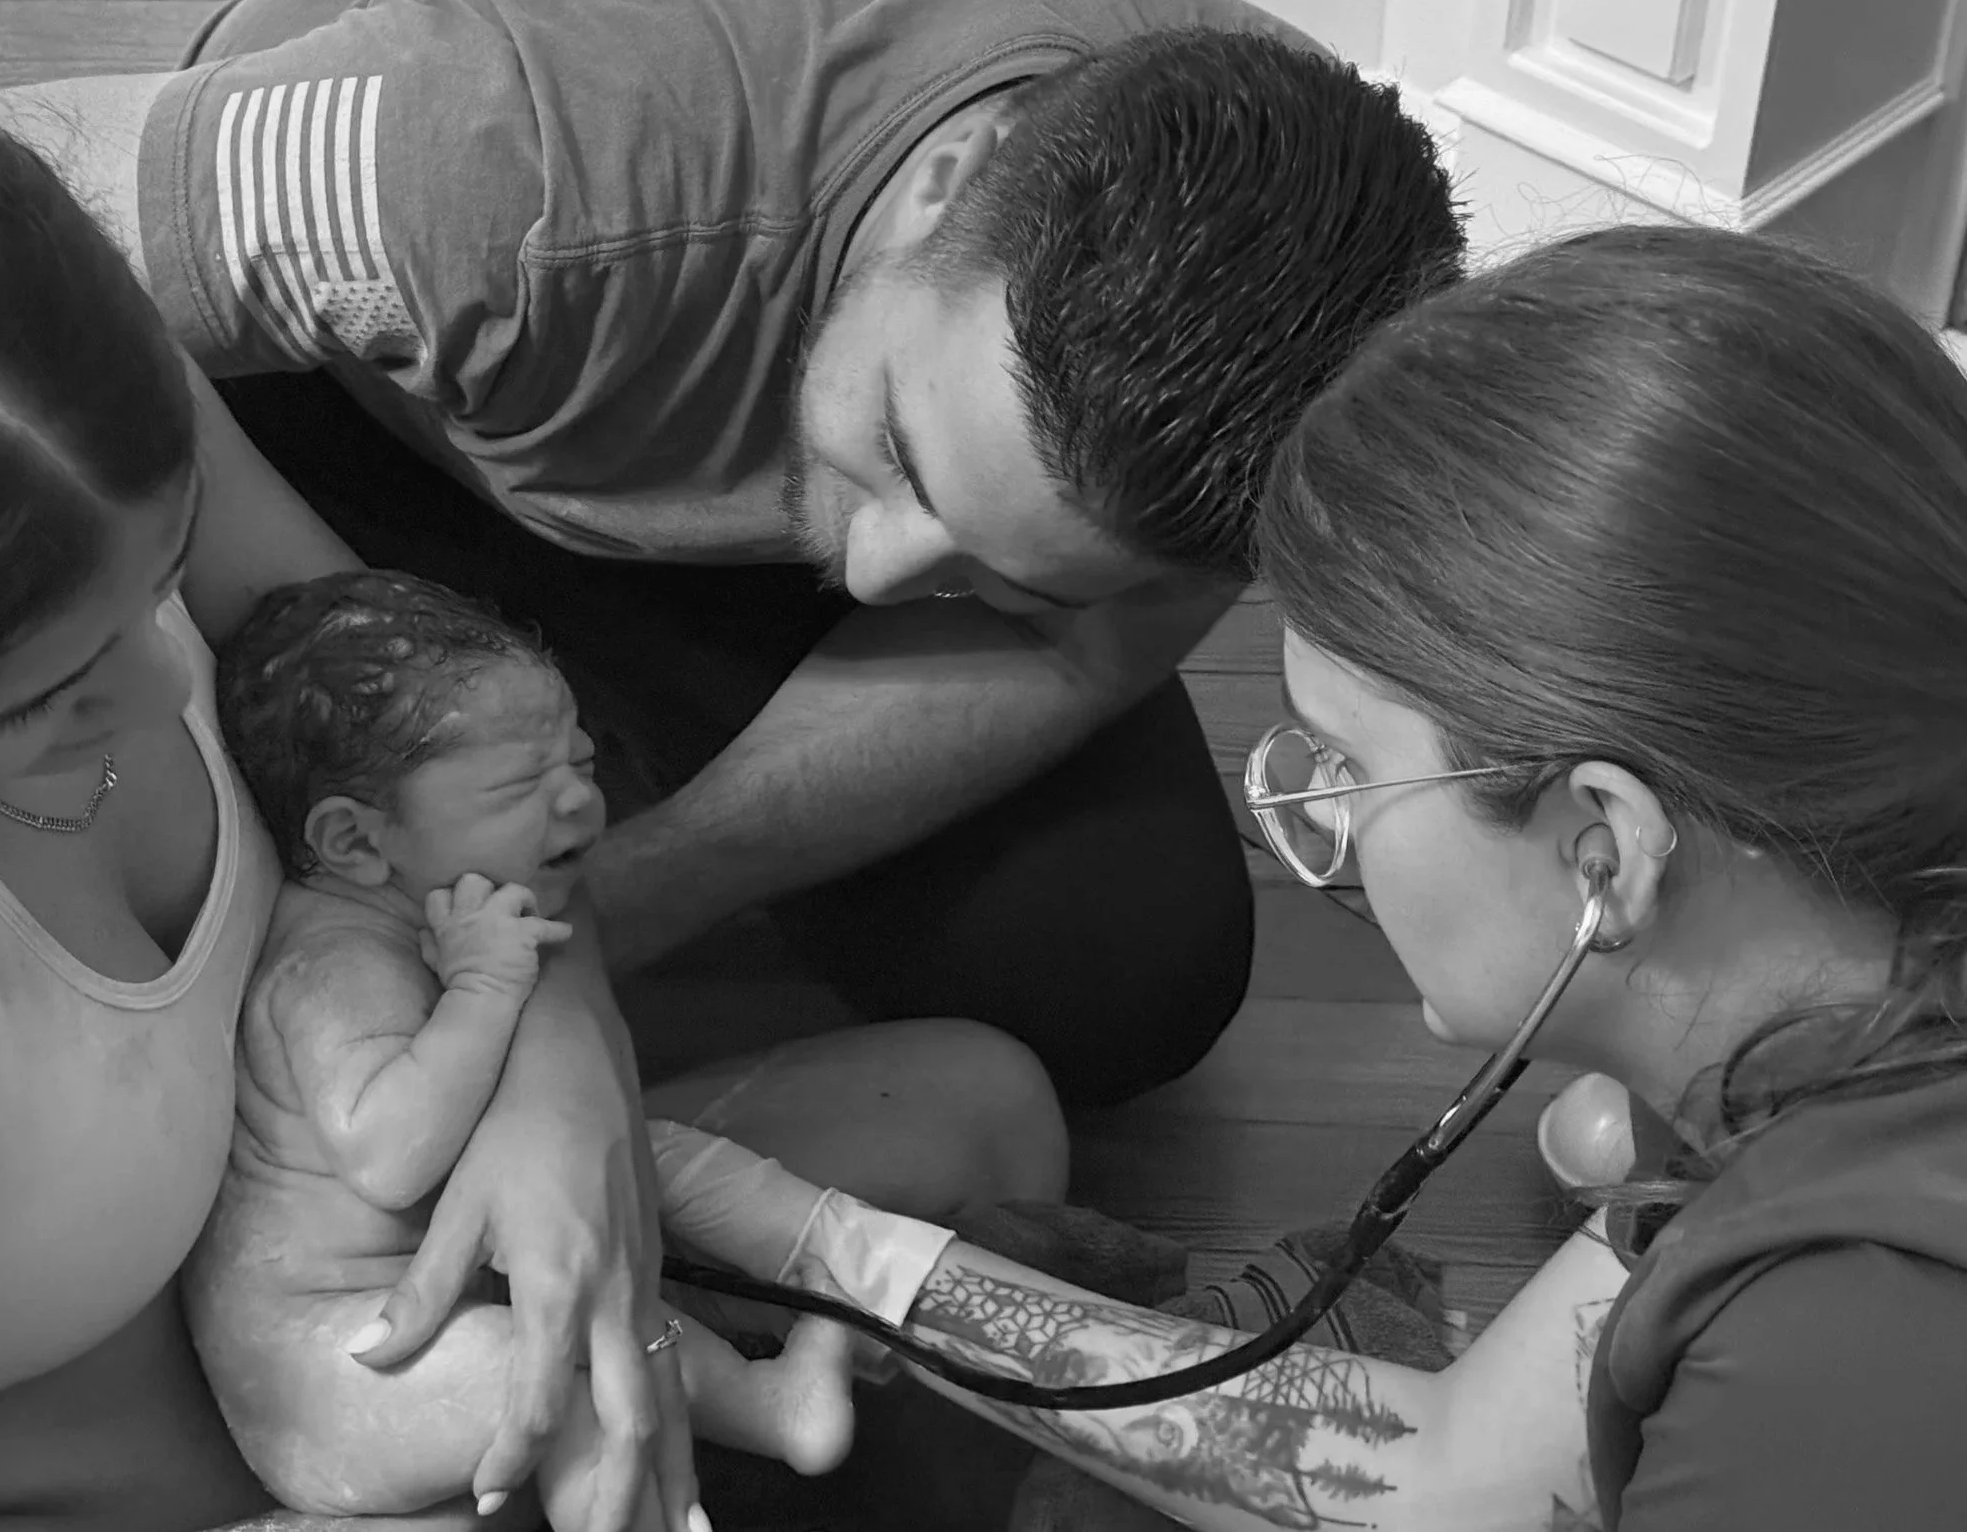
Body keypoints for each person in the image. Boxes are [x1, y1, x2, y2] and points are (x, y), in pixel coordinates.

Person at [0, 16, 1056, 1532]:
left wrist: (559, 1068)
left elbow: (407, 729)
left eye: (164, 572)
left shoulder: (33, 408)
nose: (178, 680)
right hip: (184, 1454)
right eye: (40, 701)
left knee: (983, 1117)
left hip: (350, 1220)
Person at [0, 0, 1466, 1110]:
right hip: (380, 388)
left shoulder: (1304, 321)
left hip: (664, 394)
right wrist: (386, 654)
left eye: (1005, 568)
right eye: (906, 450)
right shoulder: (487, 158)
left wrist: (618, 897)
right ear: (944, 185)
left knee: (1128, 973)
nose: (872, 577)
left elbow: (1081, 640)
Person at [650, 227, 1967, 1530]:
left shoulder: (1840, 1358)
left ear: (1604, 853)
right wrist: (825, 1242)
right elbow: (1448, 1479)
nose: (1318, 819)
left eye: (1347, 765)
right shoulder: (1836, 986)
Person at [190, 570, 873, 1523]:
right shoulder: (334, 967)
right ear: (354, 839)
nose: (579, 805)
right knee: (565, 1378)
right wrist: (482, 990)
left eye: (582, 760)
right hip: (332, 1370)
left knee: (604, 1307)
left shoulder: (430, 902)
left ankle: (769, 1407)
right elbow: (389, 1153)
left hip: (422, 1322)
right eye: (524, 784)